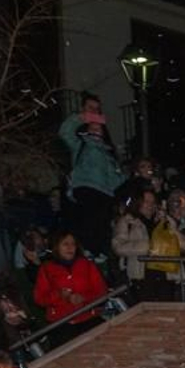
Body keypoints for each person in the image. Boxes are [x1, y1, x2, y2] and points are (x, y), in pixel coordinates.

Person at [58, 93, 125, 258]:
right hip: (86, 187)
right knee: (88, 222)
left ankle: (99, 255)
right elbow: (65, 131)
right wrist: (82, 117)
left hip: (105, 193)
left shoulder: (108, 153)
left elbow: (116, 178)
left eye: (97, 110)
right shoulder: (81, 144)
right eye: (91, 109)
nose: (96, 126)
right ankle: (86, 251)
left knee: (102, 226)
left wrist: (122, 178)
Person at [32, 232, 108, 348]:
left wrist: (84, 298)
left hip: (89, 318)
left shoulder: (87, 265)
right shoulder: (46, 269)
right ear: (56, 247)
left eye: (73, 244)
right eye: (65, 244)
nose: (70, 247)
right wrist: (59, 295)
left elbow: (101, 291)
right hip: (62, 324)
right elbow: (40, 298)